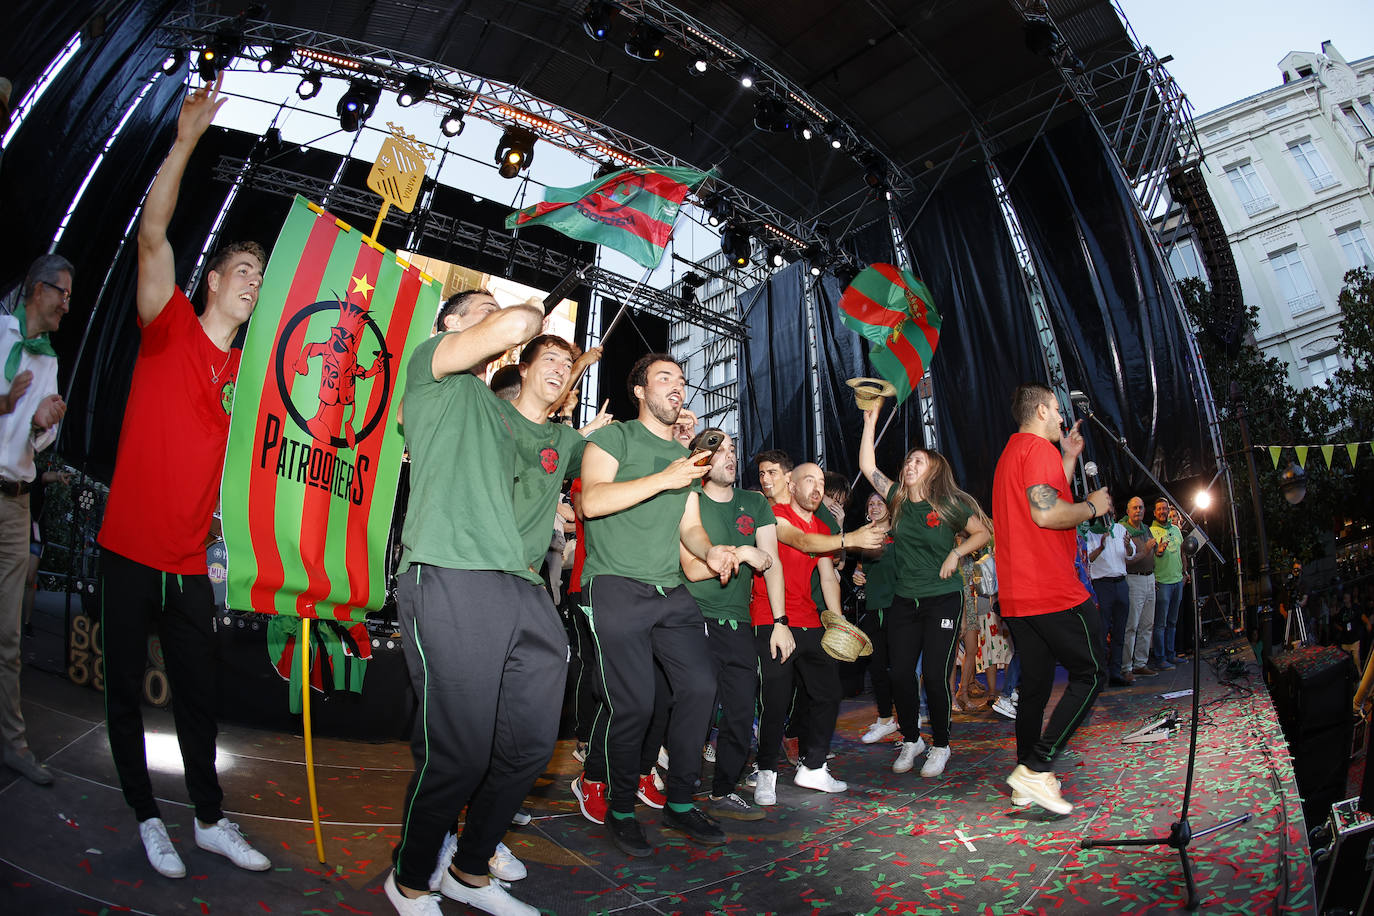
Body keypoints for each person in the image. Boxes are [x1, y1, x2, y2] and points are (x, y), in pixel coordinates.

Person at [96, 75, 272, 879]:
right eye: (241, 267)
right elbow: (153, 233)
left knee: (203, 700)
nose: (251, 279)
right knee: (126, 692)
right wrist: (186, 140)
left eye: (260, 276)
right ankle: (145, 816)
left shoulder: (247, 377)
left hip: (188, 565)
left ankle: (208, 818)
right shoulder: (167, 324)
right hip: (129, 550)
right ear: (212, 280)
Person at [387, 297, 582, 915]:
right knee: (461, 752)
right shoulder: (431, 373)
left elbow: (553, 449)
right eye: (481, 311)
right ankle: (412, 877)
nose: (498, 317)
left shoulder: (503, 416)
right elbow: (521, 324)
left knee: (529, 745)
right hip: (450, 572)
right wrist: (524, 317)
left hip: (522, 589)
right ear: (449, 326)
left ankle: (470, 868)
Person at [578, 353, 738, 856]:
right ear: (640, 391)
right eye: (664, 378)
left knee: (700, 686)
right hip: (615, 585)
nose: (677, 386)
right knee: (636, 703)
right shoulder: (615, 439)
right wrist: (664, 478)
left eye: (682, 380)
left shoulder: (686, 459)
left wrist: (709, 549)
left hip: (670, 591)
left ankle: (682, 800)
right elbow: (591, 501)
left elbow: (689, 525)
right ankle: (621, 808)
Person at [991, 383, 1109, 815]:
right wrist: (1092, 506)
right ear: (1041, 410)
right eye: (1058, 410)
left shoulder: (1013, 454)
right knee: (1094, 671)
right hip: (1051, 588)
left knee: (1035, 688)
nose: (1062, 418)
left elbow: (1039, 495)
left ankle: (1025, 781)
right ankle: (1036, 769)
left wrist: (1070, 457)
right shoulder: (1037, 450)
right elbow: (1046, 511)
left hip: (1019, 596)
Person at [859, 401, 991, 779]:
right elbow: (868, 466)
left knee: (935, 676)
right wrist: (871, 421)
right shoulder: (898, 500)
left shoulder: (948, 505)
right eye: (908, 462)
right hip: (905, 599)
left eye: (918, 462)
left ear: (932, 471)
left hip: (943, 599)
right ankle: (912, 739)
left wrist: (957, 551)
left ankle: (942, 745)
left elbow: (983, 532)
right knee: (899, 673)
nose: (909, 466)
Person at [679, 429, 789, 821]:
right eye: (718, 450)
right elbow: (692, 571)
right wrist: (742, 553)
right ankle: (681, 783)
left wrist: (780, 621)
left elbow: (771, 563)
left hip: (739, 621)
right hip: (692, 618)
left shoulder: (754, 503)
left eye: (732, 450)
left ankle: (724, 788)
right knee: (697, 703)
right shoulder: (688, 500)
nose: (728, 456)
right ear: (701, 459)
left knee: (742, 709)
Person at [0, 253, 70, 786]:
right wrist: (6, 403)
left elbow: (36, 438)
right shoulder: (0, 334)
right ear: (36, 289)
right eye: (62, 294)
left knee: (8, 635)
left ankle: (13, 743)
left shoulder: (48, 359)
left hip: (17, 503)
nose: (67, 306)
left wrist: (43, 423)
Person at [752, 462, 851, 802]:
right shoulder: (771, 513)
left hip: (809, 618)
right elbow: (801, 540)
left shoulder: (822, 523)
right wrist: (848, 538)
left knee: (828, 693)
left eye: (821, 481)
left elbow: (827, 577)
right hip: (773, 617)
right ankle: (766, 770)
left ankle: (813, 767)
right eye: (809, 480)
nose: (817, 487)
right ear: (791, 485)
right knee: (776, 699)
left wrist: (838, 623)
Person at [854, 493, 897, 744]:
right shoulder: (865, 537)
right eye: (871, 503)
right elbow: (863, 569)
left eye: (880, 502)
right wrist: (858, 576)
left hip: (899, 607)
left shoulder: (900, 533)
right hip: (874, 608)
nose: (875, 506)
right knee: (878, 667)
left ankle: (907, 719)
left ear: (890, 508)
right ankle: (884, 718)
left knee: (902, 669)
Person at [1086, 515, 1135, 685]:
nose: (1108, 515)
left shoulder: (1120, 529)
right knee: (1102, 631)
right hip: (1102, 585)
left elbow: (1130, 554)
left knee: (1120, 631)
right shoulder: (1091, 532)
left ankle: (1115, 672)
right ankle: (1101, 674)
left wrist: (1128, 545)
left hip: (1121, 583)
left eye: (1111, 511)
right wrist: (1101, 546)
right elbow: (1088, 558)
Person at [1120, 497, 1159, 679]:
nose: (1138, 511)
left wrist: (1157, 550)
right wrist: (1146, 549)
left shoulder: (1146, 529)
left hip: (1149, 578)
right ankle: (1126, 666)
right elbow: (1127, 560)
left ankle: (1141, 663)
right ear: (1127, 511)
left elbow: (1151, 552)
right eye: (1135, 508)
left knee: (1147, 624)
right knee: (1132, 625)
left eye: (1141, 507)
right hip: (1134, 579)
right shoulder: (1123, 531)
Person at [1149, 498, 1185, 669]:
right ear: (1155, 513)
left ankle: (1171, 655)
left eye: (1165, 508)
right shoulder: (1151, 531)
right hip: (1162, 582)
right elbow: (1150, 557)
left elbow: (1182, 552)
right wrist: (1159, 551)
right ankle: (1160, 658)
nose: (1163, 512)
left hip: (1177, 580)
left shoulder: (1177, 530)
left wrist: (1185, 573)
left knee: (1172, 622)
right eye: (1159, 509)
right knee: (1160, 624)